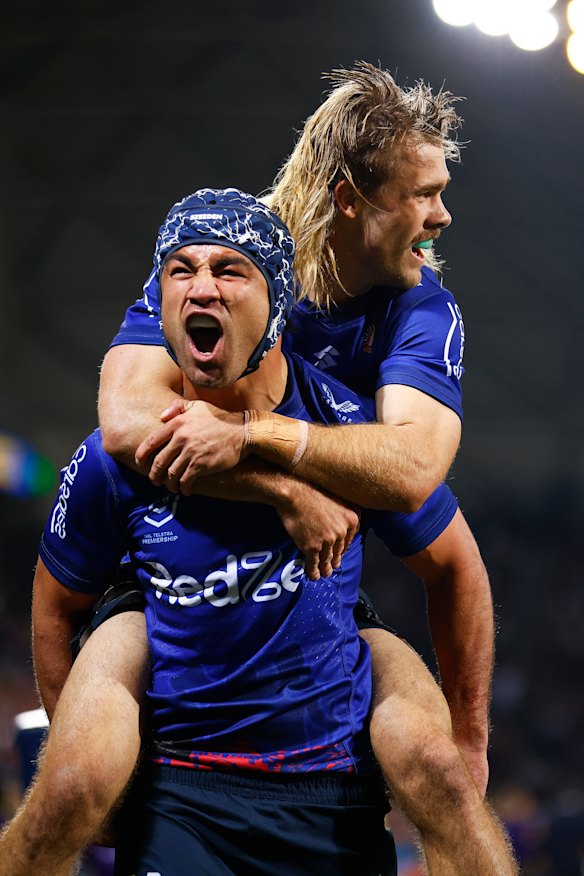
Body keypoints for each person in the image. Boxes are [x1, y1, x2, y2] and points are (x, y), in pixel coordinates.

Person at [0, 64, 517, 875]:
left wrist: (265, 447)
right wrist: (283, 489)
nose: (441, 215)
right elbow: (129, 424)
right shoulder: (227, 253)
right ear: (350, 198)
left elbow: (415, 471)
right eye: (421, 193)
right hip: (163, 573)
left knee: (445, 776)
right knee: (73, 781)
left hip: (326, 567)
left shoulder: (420, 308)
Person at [11, 189, 398, 876]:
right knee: (62, 795)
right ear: (158, 304)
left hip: (326, 797)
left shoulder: (346, 434)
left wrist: (469, 736)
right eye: (181, 271)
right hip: (181, 795)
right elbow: (54, 606)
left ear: (277, 303)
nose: (201, 289)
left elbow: (453, 560)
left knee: (441, 772)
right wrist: (70, 745)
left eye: (228, 270)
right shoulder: (116, 456)